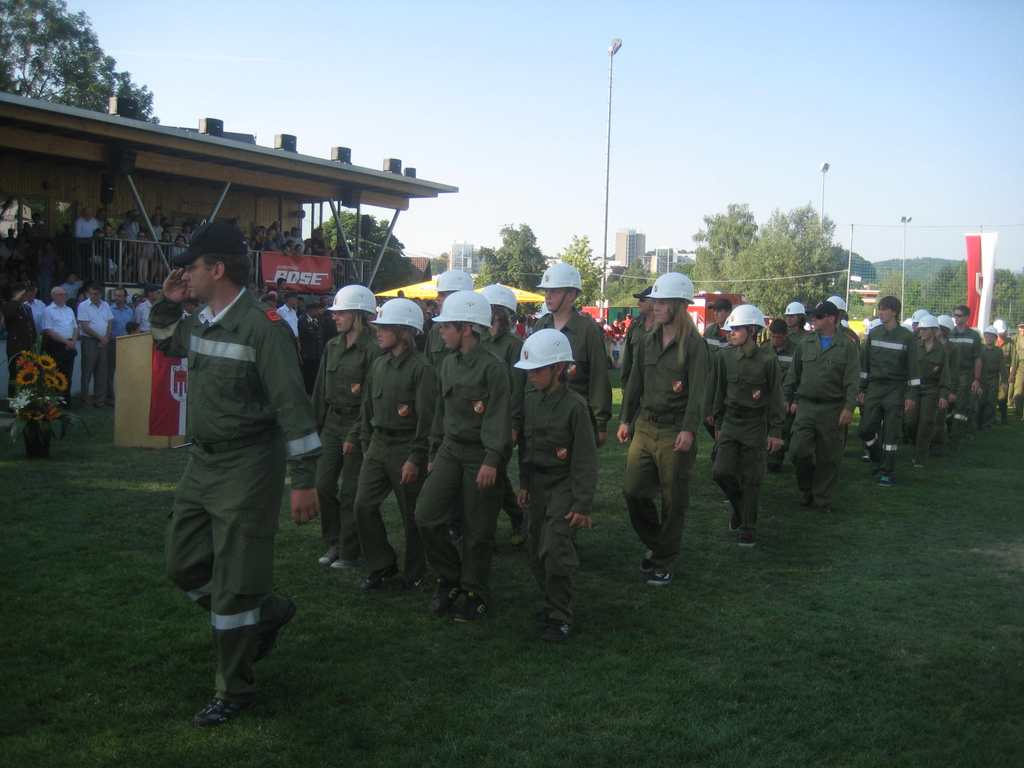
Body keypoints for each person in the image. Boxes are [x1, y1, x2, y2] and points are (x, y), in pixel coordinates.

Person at [150, 220, 322, 728]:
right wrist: (167, 303)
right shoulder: (202, 320)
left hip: (248, 467)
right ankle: (268, 613)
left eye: (191, 267)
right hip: (204, 463)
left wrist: (304, 481)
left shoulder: (263, 327)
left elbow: (293, 406)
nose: (184, 274)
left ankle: (234, 688)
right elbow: (166, 343)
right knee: (182, 564)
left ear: (218, 269)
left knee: (234, 585)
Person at [415, 290, 511, 621]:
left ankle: (476, 593)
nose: (441, 332)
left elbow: (499, 419)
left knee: (478, 530)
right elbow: (440, 413)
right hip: (449, 450)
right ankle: (451, 576)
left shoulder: (494, 368)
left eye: (447, 326)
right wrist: (433, 451)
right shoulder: (448, 364)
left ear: (466, 328)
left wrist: (492, 460)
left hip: (481, 454)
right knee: (426, 516)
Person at [618, 272, 708, 586]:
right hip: (645, 426)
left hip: (675, 430)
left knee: (674, 501)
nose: (655, 307)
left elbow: (698, 392)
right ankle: (657, 543)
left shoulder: (694, 345)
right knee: (633, 491)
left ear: (679, 305)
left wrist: (689, 429)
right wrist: (625, 419)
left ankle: (664, 561)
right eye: (654, 301)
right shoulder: (647, 339)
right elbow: (635, 383)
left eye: (662, 302)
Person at [514, 329, 598, 641]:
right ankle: (551, 604)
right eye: (529, 370)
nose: (532, 376)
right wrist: (524, 483)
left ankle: (562, 617)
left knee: (555, 548)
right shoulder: (530, 401)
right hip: (537, 484)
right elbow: (526, 448)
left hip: (564, 484)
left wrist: (582, 504)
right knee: (537, 551)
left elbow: (586, 460)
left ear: (559, 368)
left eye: (538, 369)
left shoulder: (575, 406)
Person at [353, 298, 437, 592]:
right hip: (378, 444)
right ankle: (382, 564)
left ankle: (414, 573)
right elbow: (367, 408)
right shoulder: (379, 363)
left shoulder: (421, 368)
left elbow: (427, 419)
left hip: (406, 448)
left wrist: (415, 457)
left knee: (411, 514)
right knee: (362, 505)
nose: (378, 332)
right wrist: (366, 444)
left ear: (403, 331)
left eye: (385, 327)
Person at [311, 284, 382, 571]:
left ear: (359, 315)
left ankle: (350, 551)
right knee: (322, 485)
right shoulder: (332, 345)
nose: (335, 317)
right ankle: (335, 541)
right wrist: (314, 426)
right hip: (331, 424)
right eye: (335, 313)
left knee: (351, 491)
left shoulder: (373, 349)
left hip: (358, 425)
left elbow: (371, 399)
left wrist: (358, 434)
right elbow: (320, 389)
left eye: (341, 313)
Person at [711, 305, 784, 547]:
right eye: (729, 329)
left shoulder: (768, 361)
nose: (730, 333)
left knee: (752, 479)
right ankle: (739, 506)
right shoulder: (724, 358)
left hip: (755, 424)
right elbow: (720, 392)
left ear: (752, 331)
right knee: (721, 472)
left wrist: (775, 431)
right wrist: (718, 423)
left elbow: (776, 399)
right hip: (731, 422)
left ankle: (748, 528)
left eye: (736, 329)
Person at [783, 301, 860, 514]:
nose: (813, 320)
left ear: (831, 319)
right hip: (806, 407)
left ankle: (822, 498)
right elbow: (793, 373)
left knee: (829, 457)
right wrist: (786, 396)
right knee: (798, 452)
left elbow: (852, 380)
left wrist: (849, 407)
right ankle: (808, 487)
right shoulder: (806, 343)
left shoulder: (847, 346)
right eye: (813, 316)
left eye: (818, 316)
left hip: (833, 409)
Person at [533, 263, 613, 446]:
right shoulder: (540, 326)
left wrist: (600, 424)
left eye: (555, 291)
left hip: (576, 417)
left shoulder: (587, 329)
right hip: (543, 414)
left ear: (571, 295)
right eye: (546, 291)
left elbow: (598, 378)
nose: (547, 296)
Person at [480, 283, 528, 547]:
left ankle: (516, 517)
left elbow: (517, 388)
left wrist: (514, 425)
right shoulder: (479, 340)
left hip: (502, 420)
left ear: (497, 313)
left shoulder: (513, 345)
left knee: (496, 473)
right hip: (479, 419)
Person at [858, 296, 921, 487]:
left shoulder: (906, 337)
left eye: (884, 309)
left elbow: (913, 369)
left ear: (894, 312)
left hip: (895, 388)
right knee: (865, 429)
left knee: (890, 434)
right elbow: (865, 365)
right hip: (874, 387)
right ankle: (876, 456)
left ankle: (887, 472)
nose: (880, 313)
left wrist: (912, 395)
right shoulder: (874, 333)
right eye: (880, 309)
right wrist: (862, 388)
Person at [905, 315, 950, 467]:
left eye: (925, 329)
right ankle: (917, 445)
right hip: (914, 389)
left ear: (934, 330)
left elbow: (945, 375)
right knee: (910, 422)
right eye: (921, 329)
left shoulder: (941, 350)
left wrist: (943, 395)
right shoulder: (914, 346)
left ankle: (920, 456)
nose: (922, 332)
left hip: (932, 389)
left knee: (926, 423)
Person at [763, 318, 798, 473]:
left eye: (779, 337)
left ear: (786, 334)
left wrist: (794, 399)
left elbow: (799, 377)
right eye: (773, 337)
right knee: (765, 428)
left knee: (783, 430)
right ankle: (767, 457)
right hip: (767, 397)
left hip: (786, 398)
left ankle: (775, 461)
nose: (775, 341)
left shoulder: (796, 350)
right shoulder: (765, 348)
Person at [948, 305, 983, 449]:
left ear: (967, 317)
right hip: (949, 373)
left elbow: (978, 359)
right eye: (955, 315)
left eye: (960, 315)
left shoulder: (973, 336)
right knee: (947, 406)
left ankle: (955, 440)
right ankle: (948, 432)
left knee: (960, 407)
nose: (956, 318)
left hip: (965, 374)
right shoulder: (950, 334)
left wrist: (976, 379)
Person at [76, 283, 113, 408]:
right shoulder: (83, 306)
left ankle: (99, 401)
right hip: (90, 340)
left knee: (102, 372)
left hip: (103, 340)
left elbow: (109, 323)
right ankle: (86, 401)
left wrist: (105, 338)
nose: (92, 296)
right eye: (90, 293)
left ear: (101, 294)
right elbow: (85, 327)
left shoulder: (105, 305)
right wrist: (101, 338)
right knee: (87, 371)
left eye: (95, 294)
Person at [930, 314, 960, 456]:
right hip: (930, 384)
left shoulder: (952, 349)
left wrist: (952, 391)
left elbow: (953, 371)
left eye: (938, 328)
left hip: (943, 386)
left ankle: (936, 445)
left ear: (945, 330)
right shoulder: (929, 344)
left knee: (939, 417)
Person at [2, 282, 37, 400]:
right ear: (15, 294)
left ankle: (26, 400)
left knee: (28, 376)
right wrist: (15, 300)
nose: (26, 295)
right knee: (15, 376)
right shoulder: (8, 306)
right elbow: (9, 315)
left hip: (28, 347)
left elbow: (31, 328)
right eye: (23, 293)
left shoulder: (27, 308)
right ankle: (14, 401)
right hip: (16, 348)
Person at [41, 285, 78, 389]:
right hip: (56, 344)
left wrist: (73, 341)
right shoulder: (48, 310)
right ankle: (56, 397)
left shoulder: (69, 310)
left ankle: (66, 397)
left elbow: (75, 327)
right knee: (56, 374)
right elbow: (48, 330)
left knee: (68, 374)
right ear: (53, 296)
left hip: (69, 344)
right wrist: (66, 342)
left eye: (64, 294)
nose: (63, 296)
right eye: (60, 294)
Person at [619, 286, 655, 396]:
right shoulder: (635, 324)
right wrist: (625, 383)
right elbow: (628, 355)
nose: (638, 303)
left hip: (656, 385)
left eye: (642, 300)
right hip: (635, 384)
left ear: (653, 302)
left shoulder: (666, 326)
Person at [107, 287, 135, 403]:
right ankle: (109, 397)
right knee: (110, 371)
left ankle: (125, 396)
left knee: (126, 370)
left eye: (119, 296)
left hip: (126, 343)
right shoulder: (109, 310)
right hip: (113, 342)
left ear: (125, 298)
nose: (116, 298)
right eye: (115, 295)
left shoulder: (130, 311)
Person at [978, 326, 1005, 432]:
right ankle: (979, 422)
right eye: (987, 336)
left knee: (991, 402)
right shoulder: (981, 349)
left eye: (991, 337)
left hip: (993, 378)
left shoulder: (998, 351)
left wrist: (1005, 381)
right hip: (982, 378)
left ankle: (987, 425)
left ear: (995, 338)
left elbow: (1002, 366)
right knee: (981, 401)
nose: (989, 338)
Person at [298, 301, 325, 395]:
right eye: (315, 310)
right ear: (310, 311)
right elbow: (302, 337)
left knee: (315, 373)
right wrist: (304, 352)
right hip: (308, 353)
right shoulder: (303, 321)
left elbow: (320, 336)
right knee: (307, 373)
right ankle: (306, 391)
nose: (317, 312)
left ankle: (313, 390)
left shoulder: (317, 321)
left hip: (316, 352)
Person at [1011, 322, 1024, 420]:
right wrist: (1013, 371)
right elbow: (1014, 356)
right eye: (1021, 327)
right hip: (1021, 368)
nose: (1022, 329)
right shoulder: (1016, 339)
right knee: (1018, 391)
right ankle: (1018, 413)